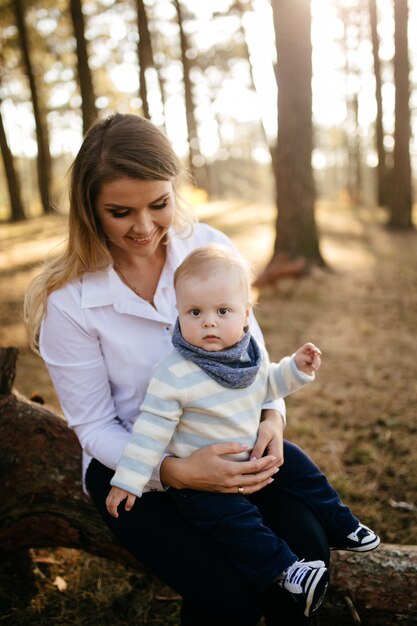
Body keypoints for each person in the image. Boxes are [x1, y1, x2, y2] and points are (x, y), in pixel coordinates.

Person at [23, 112, 368, 626]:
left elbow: (247, 343)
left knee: (307, 553)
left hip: (231, 436)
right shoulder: (68, 301)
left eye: (158, 205)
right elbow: (94, 427)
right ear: (89, 209)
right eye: (120, 212)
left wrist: (271, 418)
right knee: (227, 593)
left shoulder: (207, 244)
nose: (144, 228)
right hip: (136, 466)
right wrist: (176, 472)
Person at [105, 244, 379, 618]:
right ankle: (288, 571)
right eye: (195, 312)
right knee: (237, 523)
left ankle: (341, 523)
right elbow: (150, 430)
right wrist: (129, 479)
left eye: (222, 311)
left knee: (301, 466)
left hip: (251, 454)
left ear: (246, 315)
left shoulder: (247, 353)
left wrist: (296, 369)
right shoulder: (174, 374)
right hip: (201, 480)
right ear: (179, 315)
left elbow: (268, 385)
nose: (209, 322)